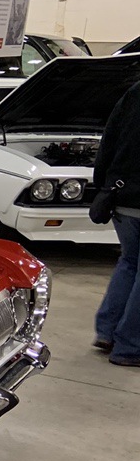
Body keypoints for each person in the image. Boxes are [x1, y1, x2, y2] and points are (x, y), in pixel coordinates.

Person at [93, 80, 140, 366]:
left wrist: (104, 187)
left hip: (122, 196)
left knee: (129, 262)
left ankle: (107, 332)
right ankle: (130, 347)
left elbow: (108, 140)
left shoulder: (134, 91)